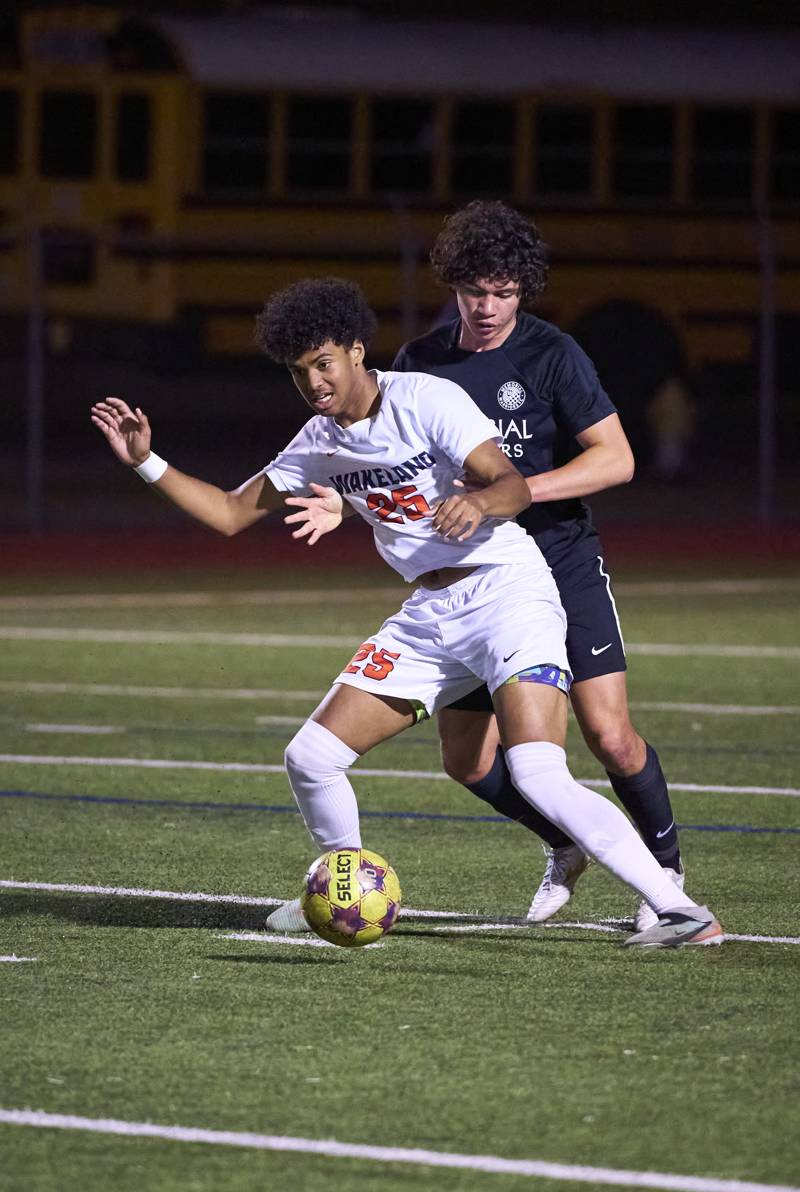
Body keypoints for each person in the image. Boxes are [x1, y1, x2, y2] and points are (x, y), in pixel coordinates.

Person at [90, 276, 722, 950]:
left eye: (324, 364)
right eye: (300, 373)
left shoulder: (426, 399)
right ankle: (346, 882)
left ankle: (681, 909)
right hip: (431, 612)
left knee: (538, 771)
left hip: (508, 593)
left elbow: (507, 481)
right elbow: (227, 511)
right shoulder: (317, 441)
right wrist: (145, 462)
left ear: (357, 351)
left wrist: (479, 502)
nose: (314, 384)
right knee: (311, 756)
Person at [392, 200, 684, 932]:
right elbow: (384, 459)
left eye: (503, 292)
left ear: (524, 289)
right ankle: (564, 843)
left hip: (559, 563)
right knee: (466, 760)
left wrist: (510, 494)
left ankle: (665, 877)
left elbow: (616, 459)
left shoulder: (553, 354)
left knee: (610, 735)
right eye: (474, 291)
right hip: (477, 583)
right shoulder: (419, 365)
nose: (488, 307)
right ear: (451, 286)